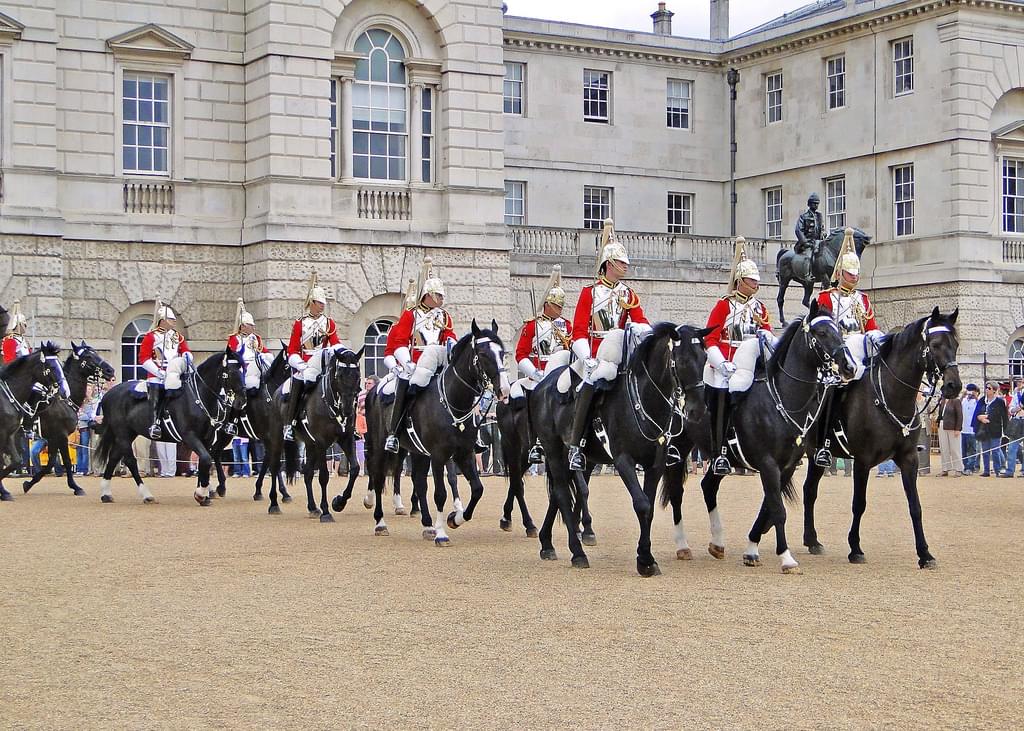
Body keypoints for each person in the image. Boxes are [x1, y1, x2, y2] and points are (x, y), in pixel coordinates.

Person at [566, 219, 651, 471]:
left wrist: (647, 334)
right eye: (622, 263)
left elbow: (641, 321)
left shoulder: (628, 294)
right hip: (596, 354)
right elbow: (579, 331)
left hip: (622, 352)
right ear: (609, 264)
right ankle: (577, 445)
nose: (626, 266)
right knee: (590, 386)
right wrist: (586, 357)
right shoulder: (589, 293)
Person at [811, 228, 884, 466]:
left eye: (856, 274)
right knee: (829, 390)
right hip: (836, 353)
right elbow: (824, 328)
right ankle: (822, 443)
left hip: (860, 350)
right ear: (840, 273)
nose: (854, 278)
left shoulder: (862, 299)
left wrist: (876, 338)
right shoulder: (826, 297)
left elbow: (870, 325)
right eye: (850, 274)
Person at [703, 237, 773, 476]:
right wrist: (720, 362)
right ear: (739, 281)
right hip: (727, 362)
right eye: (752, 280)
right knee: (723, 391)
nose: (756, 284)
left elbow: (767, 334)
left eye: (757, 280)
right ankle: (720, 451)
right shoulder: (724, 305)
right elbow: (710, 339)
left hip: (752, 362)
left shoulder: (760, 308)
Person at [383, 256, 457, 453]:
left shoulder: (444, 316)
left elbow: (450, 336)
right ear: (428, 295)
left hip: (440, 362)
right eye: (439, 296)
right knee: (404, 387)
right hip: (416, 363)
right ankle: (394, 433)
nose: (442, 299)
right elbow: (399, 343)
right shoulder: (411, 315)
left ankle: (468, 434)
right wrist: (406, 363)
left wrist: (453, 345)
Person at [511, 264, 572, 463]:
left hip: (561, 370)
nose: (559, 310)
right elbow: (520, 354)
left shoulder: (567, 325)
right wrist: (535, 373)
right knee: (532, 398)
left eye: (561, 306)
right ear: (546, 304)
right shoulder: (532, 326)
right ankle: (534, 442)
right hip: (539, 372)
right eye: (556, 306)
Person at [283, 274, 347, 442]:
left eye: (324, 304)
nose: (322, 307)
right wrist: (300, 365)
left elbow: (334, 342)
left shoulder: (329, 322)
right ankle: (290, 424)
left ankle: (345, 421)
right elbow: (292, 350)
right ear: (311, 303)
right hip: (305, 363)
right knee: (297, 383)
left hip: (324, 362)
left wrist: (345, 353)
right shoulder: (300, 323)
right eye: (319, 303)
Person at [139, 302, 193, 440]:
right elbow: (144, 359)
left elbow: (184, 349)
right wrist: (158, 372)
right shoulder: (151, 336)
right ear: (162, 320)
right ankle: (155, 423)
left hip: (175, 372)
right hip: (158, 373)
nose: (174, 322)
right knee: (156, 395)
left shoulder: (177, 336)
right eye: (171, 319)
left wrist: (187, 356)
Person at [2, 300, 38, 438]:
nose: (25, 327)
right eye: (23, 324)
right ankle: (24, 423)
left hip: (28, 375)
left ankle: (33, 421)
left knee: (41, 391)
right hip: (15, 375)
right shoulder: (10, 340)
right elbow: (9, 360)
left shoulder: (24, 341)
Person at [227, 298, 273, 397]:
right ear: (242, 326)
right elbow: (233, 355)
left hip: (257, 365)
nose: (253, 327)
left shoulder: (256, 338)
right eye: (250, 325)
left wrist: (266, 356)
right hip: (243, 367)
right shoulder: (234, 338)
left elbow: (264, 350)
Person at [977, 382, 1008, 477]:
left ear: (994, 390)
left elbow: (1004, 416)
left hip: (996, 430)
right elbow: (977, 413)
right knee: (985, 451)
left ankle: (997, 470)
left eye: (989, 388)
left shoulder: (1000, 402)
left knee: (995, 451)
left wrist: (1007, 430)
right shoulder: (982, 400)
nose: (986, 389)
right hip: (984, 430)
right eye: (986, 387)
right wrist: (980, 418)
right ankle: (986, 470)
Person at [937, 392, 964, 476]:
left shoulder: (956, 401)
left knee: (955, 448)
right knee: (944, 448)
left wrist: (958, 429)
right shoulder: (943, 400)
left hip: (952, 426)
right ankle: (945, 468)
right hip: (942, 425)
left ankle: (958, 468)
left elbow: (960, 415)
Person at [76, 383, 99, 475]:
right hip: (77, 428)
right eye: (87, 390)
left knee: (84, 449)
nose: (88, 391)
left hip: (85, 428)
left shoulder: (92, 402)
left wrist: (79, 416)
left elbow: (89, 416)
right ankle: (78, 468)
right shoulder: (80, 401)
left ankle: (84, 469)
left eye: (89, 390)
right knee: (78, 449)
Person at [794, 192, 826, 259]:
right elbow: (798, 230)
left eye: (817, 203)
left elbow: (822, 229)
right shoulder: (804, 216)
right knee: (807, 259)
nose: (816, 205)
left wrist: (824, 234)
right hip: (807, 244)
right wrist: (805, 242)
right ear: (809, 204)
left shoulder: (819, 216)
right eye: (814, 203)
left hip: (818, 243)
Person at [355, 376, 376, 469]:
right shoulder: (361, 394)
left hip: (375, 423)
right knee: (363, 447)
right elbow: (358, 408)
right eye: (366, 383)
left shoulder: (378, 394)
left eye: (369, 383)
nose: (367, 385)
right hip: (363, 422)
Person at [961, 384, 981, 475]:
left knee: (972, 449)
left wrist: (976, 397)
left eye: (972, 391)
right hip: (963, 429)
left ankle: (971, 467)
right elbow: (958, 404)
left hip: (972, 430)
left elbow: (981, 408)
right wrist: (963, 395)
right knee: (964, 450)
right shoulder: (964, 400)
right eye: (969, 390)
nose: (970, 393)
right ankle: (965, 466)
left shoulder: (977, 402)